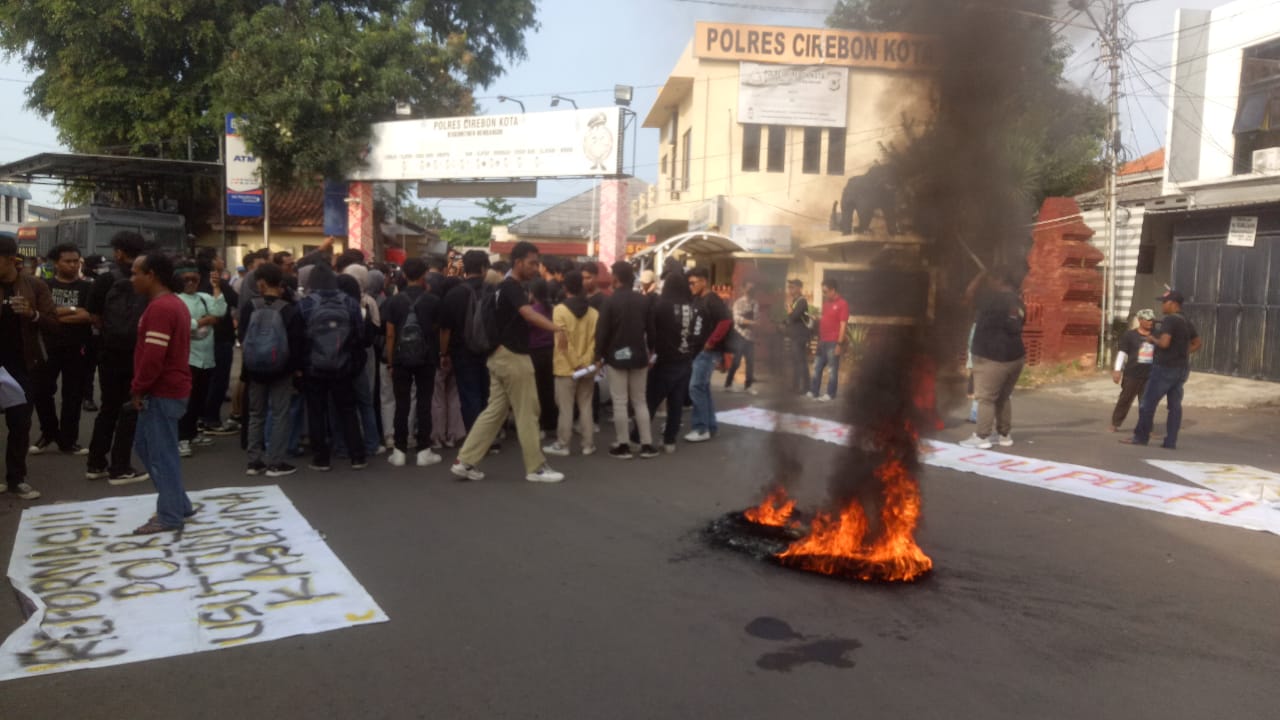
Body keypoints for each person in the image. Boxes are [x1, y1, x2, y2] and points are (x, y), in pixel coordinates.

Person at [451, 241, 567, 483]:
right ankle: (536, 468)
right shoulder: (513, 287)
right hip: (514, 357)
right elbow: (528, 313)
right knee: (528, 411)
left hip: (497, 356)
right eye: (532, 263)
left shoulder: (496, 288)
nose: (536, 268)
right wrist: (557, 328)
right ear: (518, 262)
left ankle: (466, 461)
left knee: (494, 411)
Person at [127, 251, 195, 534]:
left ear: (151, 275)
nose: (132, 279)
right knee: (147, 447)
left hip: (162, 391)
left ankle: (170, 515)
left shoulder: (160, 309)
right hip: (168, 389)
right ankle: (179, 503)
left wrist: (138, 388)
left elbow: (154, 356)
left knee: (160, 454)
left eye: (135, 273)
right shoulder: (171, 304)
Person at [85, 230, 150, 485]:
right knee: (130, 407)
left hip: (109, 352)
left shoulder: (104, 280)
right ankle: (120, 466)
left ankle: (95, 463)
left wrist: (109, 333)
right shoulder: (144, 278)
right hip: (135, 352)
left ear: (119, 252)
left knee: (108, 408)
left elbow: (93, 316)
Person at [0, 235, 59, 499]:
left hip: (23, 365)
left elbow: (54, 323)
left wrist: (32, 314)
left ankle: (16, 478)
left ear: (11, 259)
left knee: (20, 424)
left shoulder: (34, 286)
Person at [297, 263, 367, 471]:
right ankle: (357, 456)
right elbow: (360, 334)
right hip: (343, 365)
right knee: (347, 410)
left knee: (317, 412)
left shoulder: (305, 304)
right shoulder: (349, 303)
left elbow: (299, 337)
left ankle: (321, 458)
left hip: (314, 366)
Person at [239, 262, 305, 477]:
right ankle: (276, 462)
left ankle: (254, 461)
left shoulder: (250, 306)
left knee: (256, 414)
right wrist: (295, 369)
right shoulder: (289, 309)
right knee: (279, 414)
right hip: (281, 369)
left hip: (254, 368)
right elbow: (297, 344)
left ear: (261, 282)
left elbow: (243, 336)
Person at [30, 243, 93, 455]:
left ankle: (68, 440)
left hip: (77, 348)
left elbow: (88, 315)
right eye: (68, 261)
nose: (73, 265)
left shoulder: (87, 287)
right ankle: (49, 432)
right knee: (42, 391)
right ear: (56, 263)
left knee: (73, 395)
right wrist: (74, 310)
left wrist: (57, 313)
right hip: (47, 347)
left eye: (76, 261)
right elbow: (41, 314)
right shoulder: (44, 285)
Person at [383, 257, 443, 467]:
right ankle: (423, 450)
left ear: (404, 275)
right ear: (424, 274)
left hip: (400, 358)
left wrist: (390, 362)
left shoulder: (393, 301)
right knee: (424, 402)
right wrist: (442, 354)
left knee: (402, 403)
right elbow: (438, 330)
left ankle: (399, 451)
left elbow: (390, 335)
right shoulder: (433, 301)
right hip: (427, 358)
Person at [1123, 290, 1201, 450]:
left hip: (1164, 367)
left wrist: (1152, 339)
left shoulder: (1170, 320)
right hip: (1182, 369)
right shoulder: (1186, 321)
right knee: (1174, 406)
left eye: (1164, 302)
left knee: (1147, 403)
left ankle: (1140, 437)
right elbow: (1197, 343)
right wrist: (1182, 353)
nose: (1162, 306)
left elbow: (1164, 343)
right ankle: (1171, 441)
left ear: (1172, 303)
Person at [596, 261, 658, 459]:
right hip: (639, 355)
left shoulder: (610, 302)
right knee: (640, 401)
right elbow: (652, 330)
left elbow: (602, 332)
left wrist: (599, 355)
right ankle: (647, 444)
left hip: (617, 357)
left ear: (616, 278)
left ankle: (623, 444)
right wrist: (651, 351)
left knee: (620, 402)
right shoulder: (644, 301)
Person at [960, 268, 1026, 449]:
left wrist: (980, 275)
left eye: (990, 280)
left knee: (986, 398)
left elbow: (968, 296)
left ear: (998, 280)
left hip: (991, 357)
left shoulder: (991, 299)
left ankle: (982, 437)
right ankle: (1004, 435)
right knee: (1003, 397)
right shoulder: (1017, 301)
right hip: (1015, 356)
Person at [543, 270, 598, 457]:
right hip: (588, 368)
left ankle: (563, 444)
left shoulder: (559, 311)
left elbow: (562, 341)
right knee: (586, 405)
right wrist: (585, 362)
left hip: (565, 368)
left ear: (565, 287)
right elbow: (594, 341)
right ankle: (588, 444)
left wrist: (575, 363)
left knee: (565, 408)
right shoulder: (593, 313)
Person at [174, 260, 226, 457]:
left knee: (199, 399)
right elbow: (183, 326)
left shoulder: (204, 297)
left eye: (194, 279)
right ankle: (182, 438)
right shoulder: (176, 300)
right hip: (188, 358)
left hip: (207, 356)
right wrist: (205, 320)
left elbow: (220, 311)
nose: (190, 282)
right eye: (186, 279)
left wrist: (216, 287)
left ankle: (193, 432)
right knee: (185, 401)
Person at [646, 272, 700, 453]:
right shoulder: (691, 307)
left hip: (666, 359)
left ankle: (638, 437)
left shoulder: (662, 305)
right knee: (676, 404)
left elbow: (652, 332)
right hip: (685, 360)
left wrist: (652, 349)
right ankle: (669, 441)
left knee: (651, 401)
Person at [440, 250, 492, 433]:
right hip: (490, 351)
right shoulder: (493, 292)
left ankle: (475, 439)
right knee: (488, 395)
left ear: (464, 269)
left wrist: (444, 353)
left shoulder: (454, 294)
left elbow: (446, 328)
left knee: (469, 395)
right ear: (484, 268)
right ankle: (490, 438)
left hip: (462, 351)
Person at [685, 268, 732, 443]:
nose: (690, 286)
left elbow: (725, 321)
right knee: (702, 388)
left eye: (693, 282)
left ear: (704, 281)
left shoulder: (712, 299)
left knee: (696, 387)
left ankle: (701, 428)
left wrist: (711, 342)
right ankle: (710, 427)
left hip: (707, 352)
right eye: (689, 283)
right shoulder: (697, 299)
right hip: (698, 350)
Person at [199, 251, 240, 436]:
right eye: (218, 258)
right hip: (220, 336)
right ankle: (211, 419)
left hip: (200, 337)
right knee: (219, 380)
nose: (222, 261)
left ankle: (200, 417)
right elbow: (235, 301)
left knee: (203, 380)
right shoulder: (218, 284)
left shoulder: (195, 282)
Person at [1110, 309, 1157, 432]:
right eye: (1147, 320)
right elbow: (1122, 353)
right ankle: (1115, 423)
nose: (1150, 322)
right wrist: (1117, 370)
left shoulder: (1156, 335)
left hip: (1150, 375)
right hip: (1132, 374)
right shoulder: (1130, 335)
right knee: (1125, 399)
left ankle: (1147, 428)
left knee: (1146, 403)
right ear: (1140, 320)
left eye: (1152, 320)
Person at [807, 279, 850, 401]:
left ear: (833, 290)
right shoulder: (826, 304)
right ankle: (814, 391)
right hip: (823, 341)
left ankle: (830, 394)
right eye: (823, 291)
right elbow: (826, 320)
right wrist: (817, 318)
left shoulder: (843, 304)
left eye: (825, 291)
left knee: (832, 369)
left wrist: (839, 344)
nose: (824, 294)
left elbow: (843, 325)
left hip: (833, 342)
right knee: (817, 367)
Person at [528, 278, 558, 436]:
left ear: (532, 293)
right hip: (551, 352)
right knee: (549, 388)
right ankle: (551, 422)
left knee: (536, 390)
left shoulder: (532, 311)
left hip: (535, 353)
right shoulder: (552, 309)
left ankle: (539, 425)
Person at [724, 280, 759, 395]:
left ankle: (748, 386)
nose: (751, 291)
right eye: (749, 289)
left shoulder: (755, 303)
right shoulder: (738, 303)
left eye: (753, 289)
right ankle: (728, 383)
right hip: (739, 335)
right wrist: (751, 322)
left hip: (751, 336)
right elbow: (737, 319)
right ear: (743, 289)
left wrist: (750, 322)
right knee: (736, 361)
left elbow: (757, 318)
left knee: (750, 362)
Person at [783, 278, 811, 395]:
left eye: (792, 287)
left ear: (799, 288)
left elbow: (794, 316)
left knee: (801, 362)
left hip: (800, 336)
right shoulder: (795, 301)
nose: (790, 290)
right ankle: (795, 386)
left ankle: (805, 387)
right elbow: (790, 319)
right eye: (789, 287)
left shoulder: (802, 301)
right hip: (794, 336)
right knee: (795, 361)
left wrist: (789, 308)